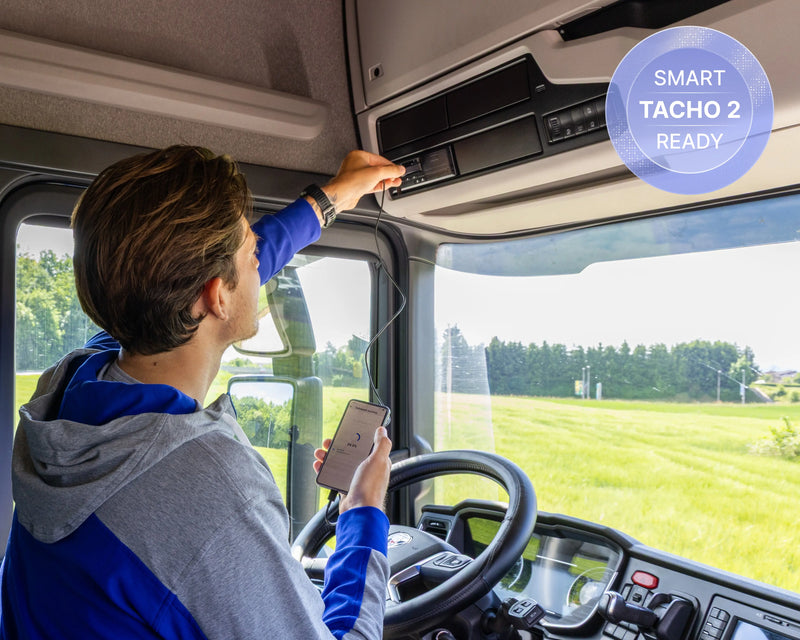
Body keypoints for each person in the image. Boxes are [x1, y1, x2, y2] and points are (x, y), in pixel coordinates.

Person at [0, 146, 405, 639]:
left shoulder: (70, 384)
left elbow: (233, 269)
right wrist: (363, 513)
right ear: (215, 295)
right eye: (251, 250)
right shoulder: (213, 492)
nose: (262, 254)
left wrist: (330, 198)